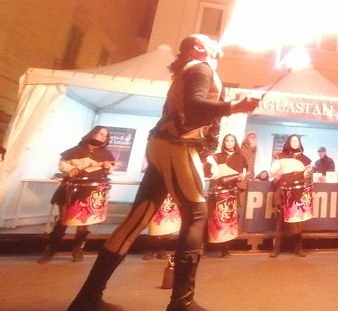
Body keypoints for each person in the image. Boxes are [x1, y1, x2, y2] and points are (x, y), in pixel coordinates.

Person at [67, 34, 259, 311]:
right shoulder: (200, 68)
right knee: (196, 215)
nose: (217, 42)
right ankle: (182, 303)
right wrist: (234, 107)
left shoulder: (192, 70)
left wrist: (207, 147)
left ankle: (86, 299)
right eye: (208, 40)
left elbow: (189, 112)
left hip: (165, 144)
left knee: (135, 220)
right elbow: (194, 104)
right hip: (176, 146)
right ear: (197, 48)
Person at [38, 126, 116, 264]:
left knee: (84, 222)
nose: (103, 137)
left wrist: (107, 167)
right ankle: (50, 250)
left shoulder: (106, 154)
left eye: (106, 135)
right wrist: (71, 169)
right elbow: (62, 163)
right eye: (101, 134)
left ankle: (78, 250)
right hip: (70, 189)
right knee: (63, 220)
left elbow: (111, 169)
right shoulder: (75, 150)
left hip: (91, 190)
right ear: (93, 134)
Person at [269, 134, 313, 257]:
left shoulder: (305, 159)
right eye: (292, 140)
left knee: (296, 221)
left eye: (297, 141)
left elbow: (306, 178)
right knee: (280, 222)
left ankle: (298, 248)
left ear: (299, 143)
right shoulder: (280, 157)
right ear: (288, 142)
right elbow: (272, 172)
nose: (295, 143)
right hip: (283, 191)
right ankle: (276, 248)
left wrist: (308, 173)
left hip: (297, 193)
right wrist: (281, 173)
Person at [210, 133, 247, 257]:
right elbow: (211, 174)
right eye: (227, 140)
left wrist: (241, 177)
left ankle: (225, 249)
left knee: (229, 219)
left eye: (232, 140)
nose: (229, 143)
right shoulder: (217, 157)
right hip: (217, 191)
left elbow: (243, 174)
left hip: (231, 192)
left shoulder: (240, 158)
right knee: (215, 218)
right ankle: (209, 247)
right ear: (224, 143)